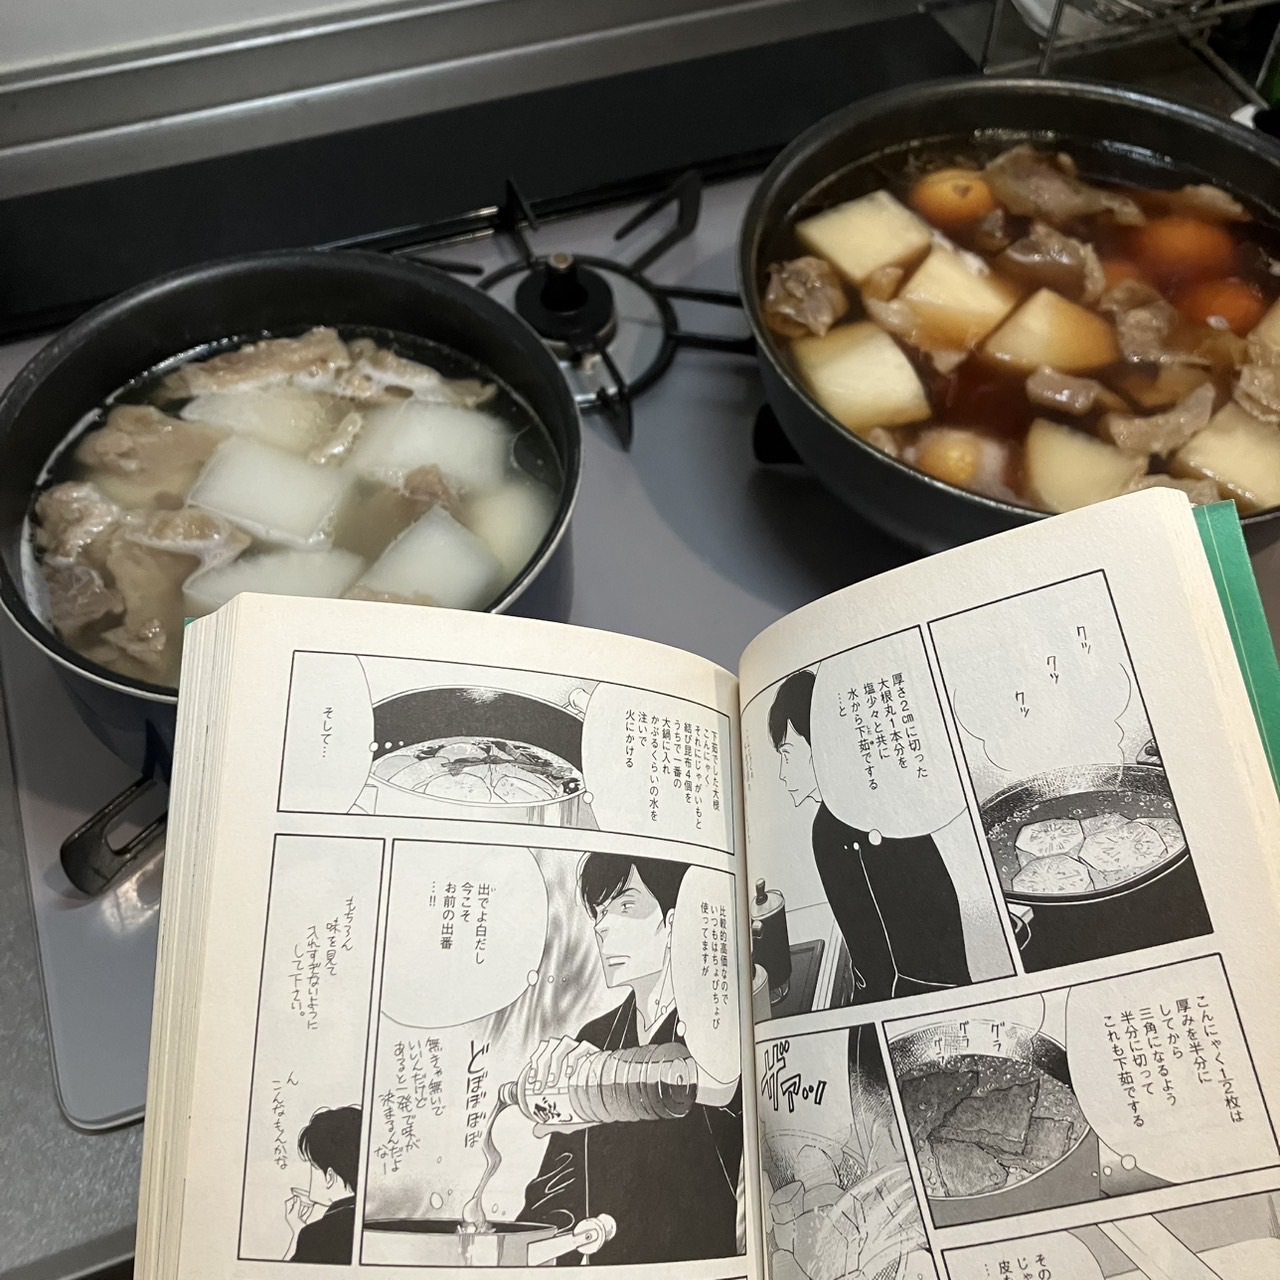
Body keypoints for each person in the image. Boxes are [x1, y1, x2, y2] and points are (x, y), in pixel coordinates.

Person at [517, 851, 743, 1265]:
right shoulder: (596, 1039)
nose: (602, 927)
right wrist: (537, 1242)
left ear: (674, 923)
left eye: (626, 906)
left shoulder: (715, 1038)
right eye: (600, 912)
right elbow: (557, 1188)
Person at [769, 669, 970, 1002]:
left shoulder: (831, 828)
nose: (782, 773)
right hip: (947, 987)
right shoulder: (875, 797)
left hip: (919, 1001)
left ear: (819, 744)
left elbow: (877, 969)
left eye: (787, 755)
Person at [284, 1105, 361, 1264]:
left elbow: (283, 1274)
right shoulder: (373, 1218)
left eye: (313, 1166)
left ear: (330, 1176)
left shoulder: (316, 1236)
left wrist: (298, 1234)